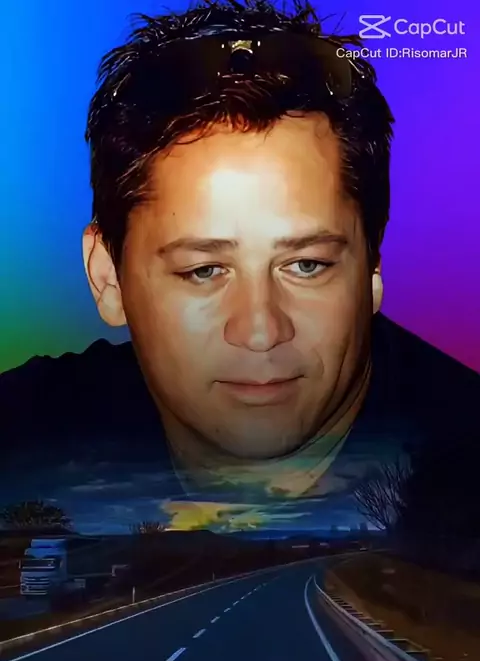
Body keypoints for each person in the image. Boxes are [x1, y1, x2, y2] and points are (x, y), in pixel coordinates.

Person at [1, 0, 479, 533]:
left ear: (372, 268)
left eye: (306, 265)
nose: (260, 332)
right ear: (108, 277)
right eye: (204, 271)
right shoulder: (18, 441)